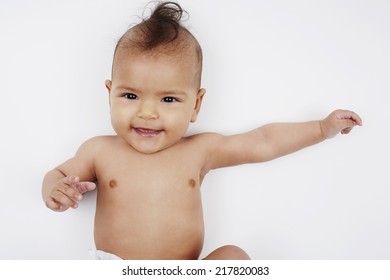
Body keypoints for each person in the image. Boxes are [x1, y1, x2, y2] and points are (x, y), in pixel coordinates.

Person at [42, 1, 362, 260]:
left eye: (168, 99)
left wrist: (321, 128)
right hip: (118, 270)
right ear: (109, 94)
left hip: (186, 272)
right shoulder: (99, 150)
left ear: (196, 105)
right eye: (130, 95)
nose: (147, 112)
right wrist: (56, 190)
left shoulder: (200, 150)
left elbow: (263, 142)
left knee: (234, 257)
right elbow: (56, 173)